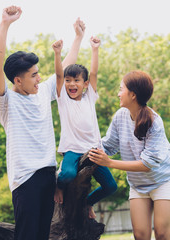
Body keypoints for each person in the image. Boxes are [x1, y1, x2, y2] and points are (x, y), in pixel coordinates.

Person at [0, 5, 86, 240]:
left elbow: (63, 71)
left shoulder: (43, 91)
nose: (39, 78)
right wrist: (5, 24)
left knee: (43, 235)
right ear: (17, 80)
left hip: (47, 175)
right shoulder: (6, 101)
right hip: (25, 179)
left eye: (38, 72)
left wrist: (78, 38)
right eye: (33, 75)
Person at [88, 71, 170, 240]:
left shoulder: (154, 121)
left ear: (132, 95)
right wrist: (83, 148)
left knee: (161, 233)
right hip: (138, 185)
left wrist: (109, 162)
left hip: (164, 180)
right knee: (140, 235)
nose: (118, 93)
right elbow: (108, 146)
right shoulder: (120, 116)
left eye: (121, 89)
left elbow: (147, 164)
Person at [52, 36, 117, 219]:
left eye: (76, 81)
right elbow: (57, 75)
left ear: (85, 84)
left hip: (94, 150)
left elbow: (94, 73)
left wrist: (95, 49)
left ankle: (87, 202)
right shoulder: (63, 99)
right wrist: (57, 54)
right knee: (68, 175)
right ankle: (58, 186)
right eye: (68, 81)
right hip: (72, 149)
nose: (71, 84)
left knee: (111, 186)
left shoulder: (90, 98)